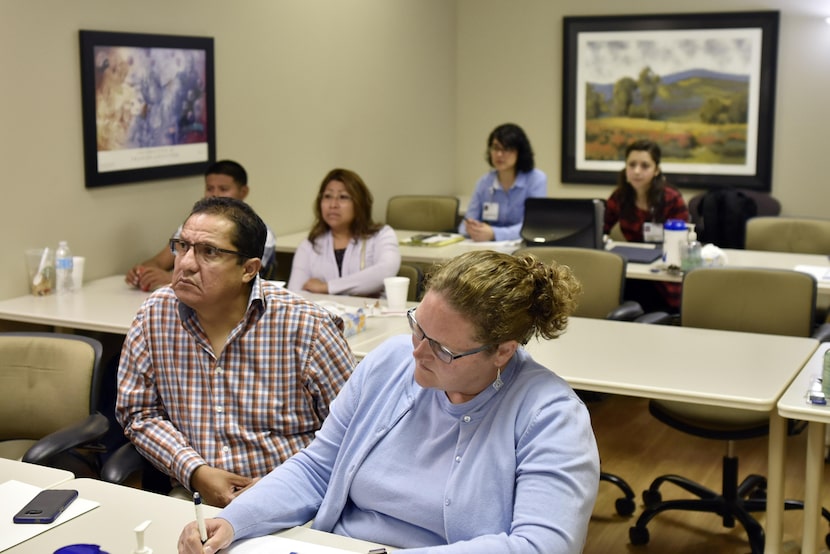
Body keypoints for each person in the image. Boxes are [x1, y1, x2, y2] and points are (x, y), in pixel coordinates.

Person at [178, 249, 600, 553]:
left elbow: (541, 546)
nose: (417, 352)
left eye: (442, 348)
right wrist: (234, 521)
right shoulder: (389, 362)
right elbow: (317, 468)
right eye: (418, 327)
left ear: (503, 352)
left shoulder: (551, 417)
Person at [116, 196, 356, 508]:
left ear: (248, 269)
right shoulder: (156, 314)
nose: (186, 263)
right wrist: (196, 471)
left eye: (209, 252)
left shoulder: (306, 327)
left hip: (297, 499)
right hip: (196, 498)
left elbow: (353, 430)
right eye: (182, 246)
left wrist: (285, 484)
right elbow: (138, 412)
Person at [125, 160, 277, 291]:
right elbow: (160, 261)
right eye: (210, 188)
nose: (215, 194)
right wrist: (143, 272)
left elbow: (240, 280)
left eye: (223, 189)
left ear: (243, 191)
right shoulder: (194, 227)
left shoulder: (261, 233)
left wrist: (171, 278)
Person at [603, 139, 689, 312]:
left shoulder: (672, 199)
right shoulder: (619, 196)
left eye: (644, 166)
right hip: (632, 272)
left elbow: (682, 242)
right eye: (632, 164)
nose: (636, 171)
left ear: (656, 170)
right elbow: (601, 228)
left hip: (663, 275)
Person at [287, 168, 401, 296]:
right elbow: (294, 294)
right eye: (327, 196)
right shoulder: (309, 245)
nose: (333, 205)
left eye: (343, 197)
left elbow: (385, 272)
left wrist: (326, 287)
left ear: (359, 203)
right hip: (326, 315)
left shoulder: (382, 235)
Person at [458, 123, 547, 242]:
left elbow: (533, 227)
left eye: (506, 149)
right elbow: (464, 225)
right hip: (487, 249)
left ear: (519, 152)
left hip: (521, 250)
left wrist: (494, 233)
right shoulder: (484, 182)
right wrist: (472, 228)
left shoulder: (536, 179)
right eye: (495, 148)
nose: (499, 154)